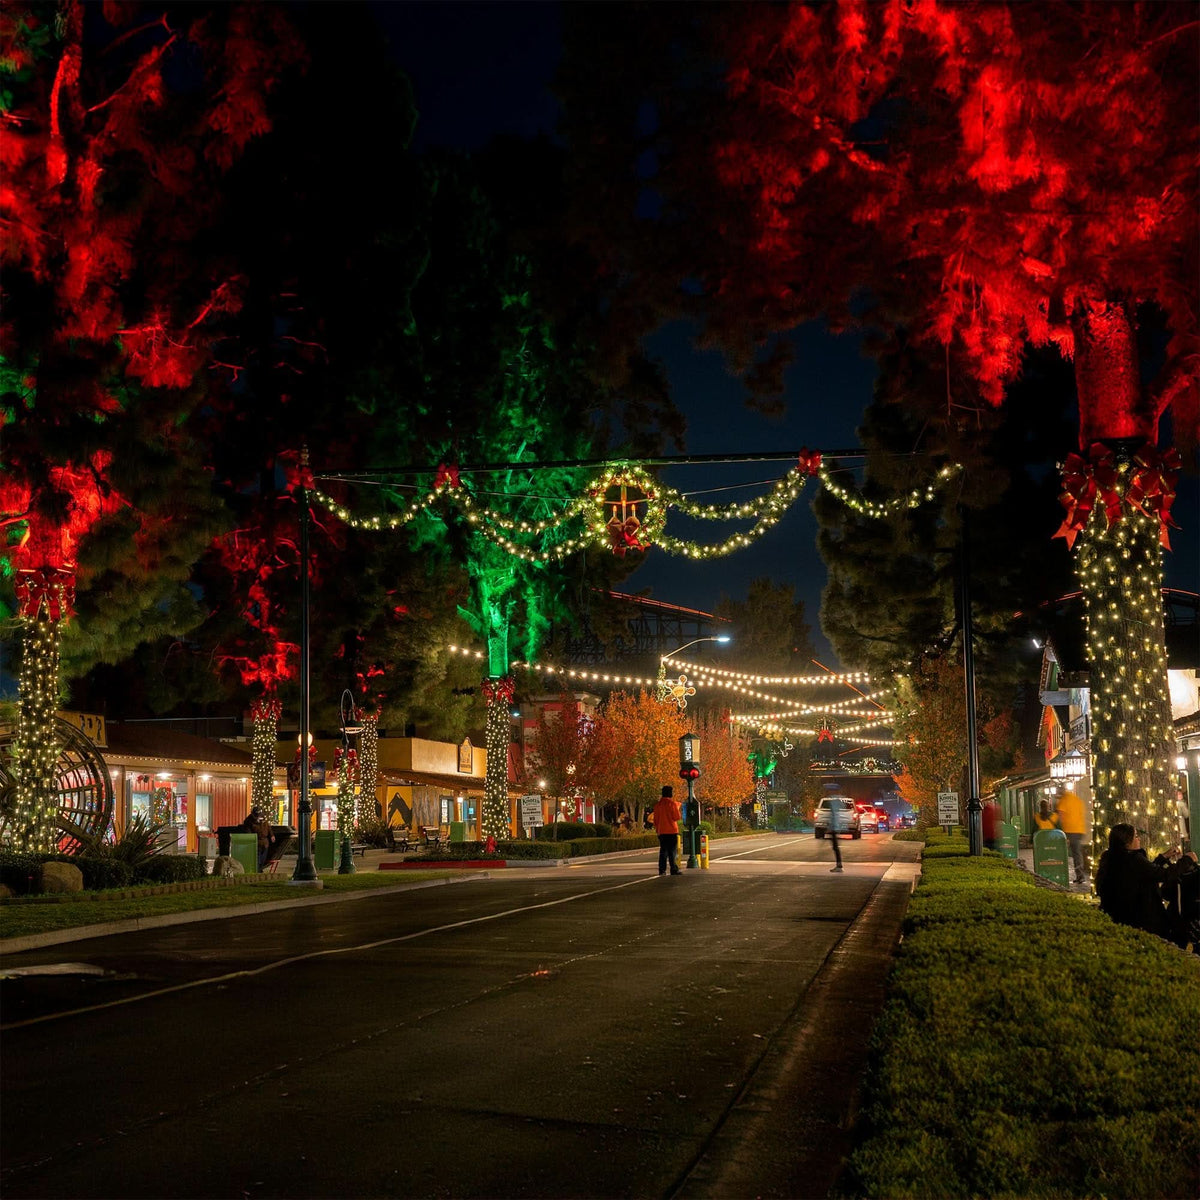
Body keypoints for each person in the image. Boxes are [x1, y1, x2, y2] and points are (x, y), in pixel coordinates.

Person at [1094, 823, 1197, 938]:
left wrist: (1163, 857)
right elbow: (1163, 875)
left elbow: (1145, 874)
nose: (1139, 839)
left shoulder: (1113, 857)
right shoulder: (1133, 859)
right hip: (1141, 919)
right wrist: (1188, 859)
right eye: (1136, 836)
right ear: (1127, 842)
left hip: (1121, 916)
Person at [1054, 788, 1088, 885]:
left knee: (1060, 852)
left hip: (1069, 830)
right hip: (1080, 830)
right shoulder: (1077, 800)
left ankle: (1060, 874)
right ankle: (1080, 875)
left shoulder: (1063, 801)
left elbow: (1060, 816)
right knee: (1077, 853)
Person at [652, 785, 682, 876]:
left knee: (663, 851)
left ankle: (662, 870)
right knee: (672, 852)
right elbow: (677, 817)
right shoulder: (672, 804)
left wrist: (658, 830)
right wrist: (677, 807)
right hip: (672, 831)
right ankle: (673, 869)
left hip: (661, 831)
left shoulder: (657, 806)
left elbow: (655, 820)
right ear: (670, 793)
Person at [243, 807, 272, 871]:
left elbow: (268, 827)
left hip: (265, 842)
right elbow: (248, 831)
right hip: (256, 842)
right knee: (257, 857)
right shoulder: (249, 821)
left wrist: (272, 835)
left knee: (263, 857)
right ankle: (258, 870)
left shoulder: (263, 820)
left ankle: (260, 869)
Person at [828, 798, 844, 872]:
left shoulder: (834, 812)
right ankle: (839, 865)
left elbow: (834, 820)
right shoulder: (836, 812)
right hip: (834, 829)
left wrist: (831, 828)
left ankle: (839, 866)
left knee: (835, 847)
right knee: (835, 847)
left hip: (834, 829)